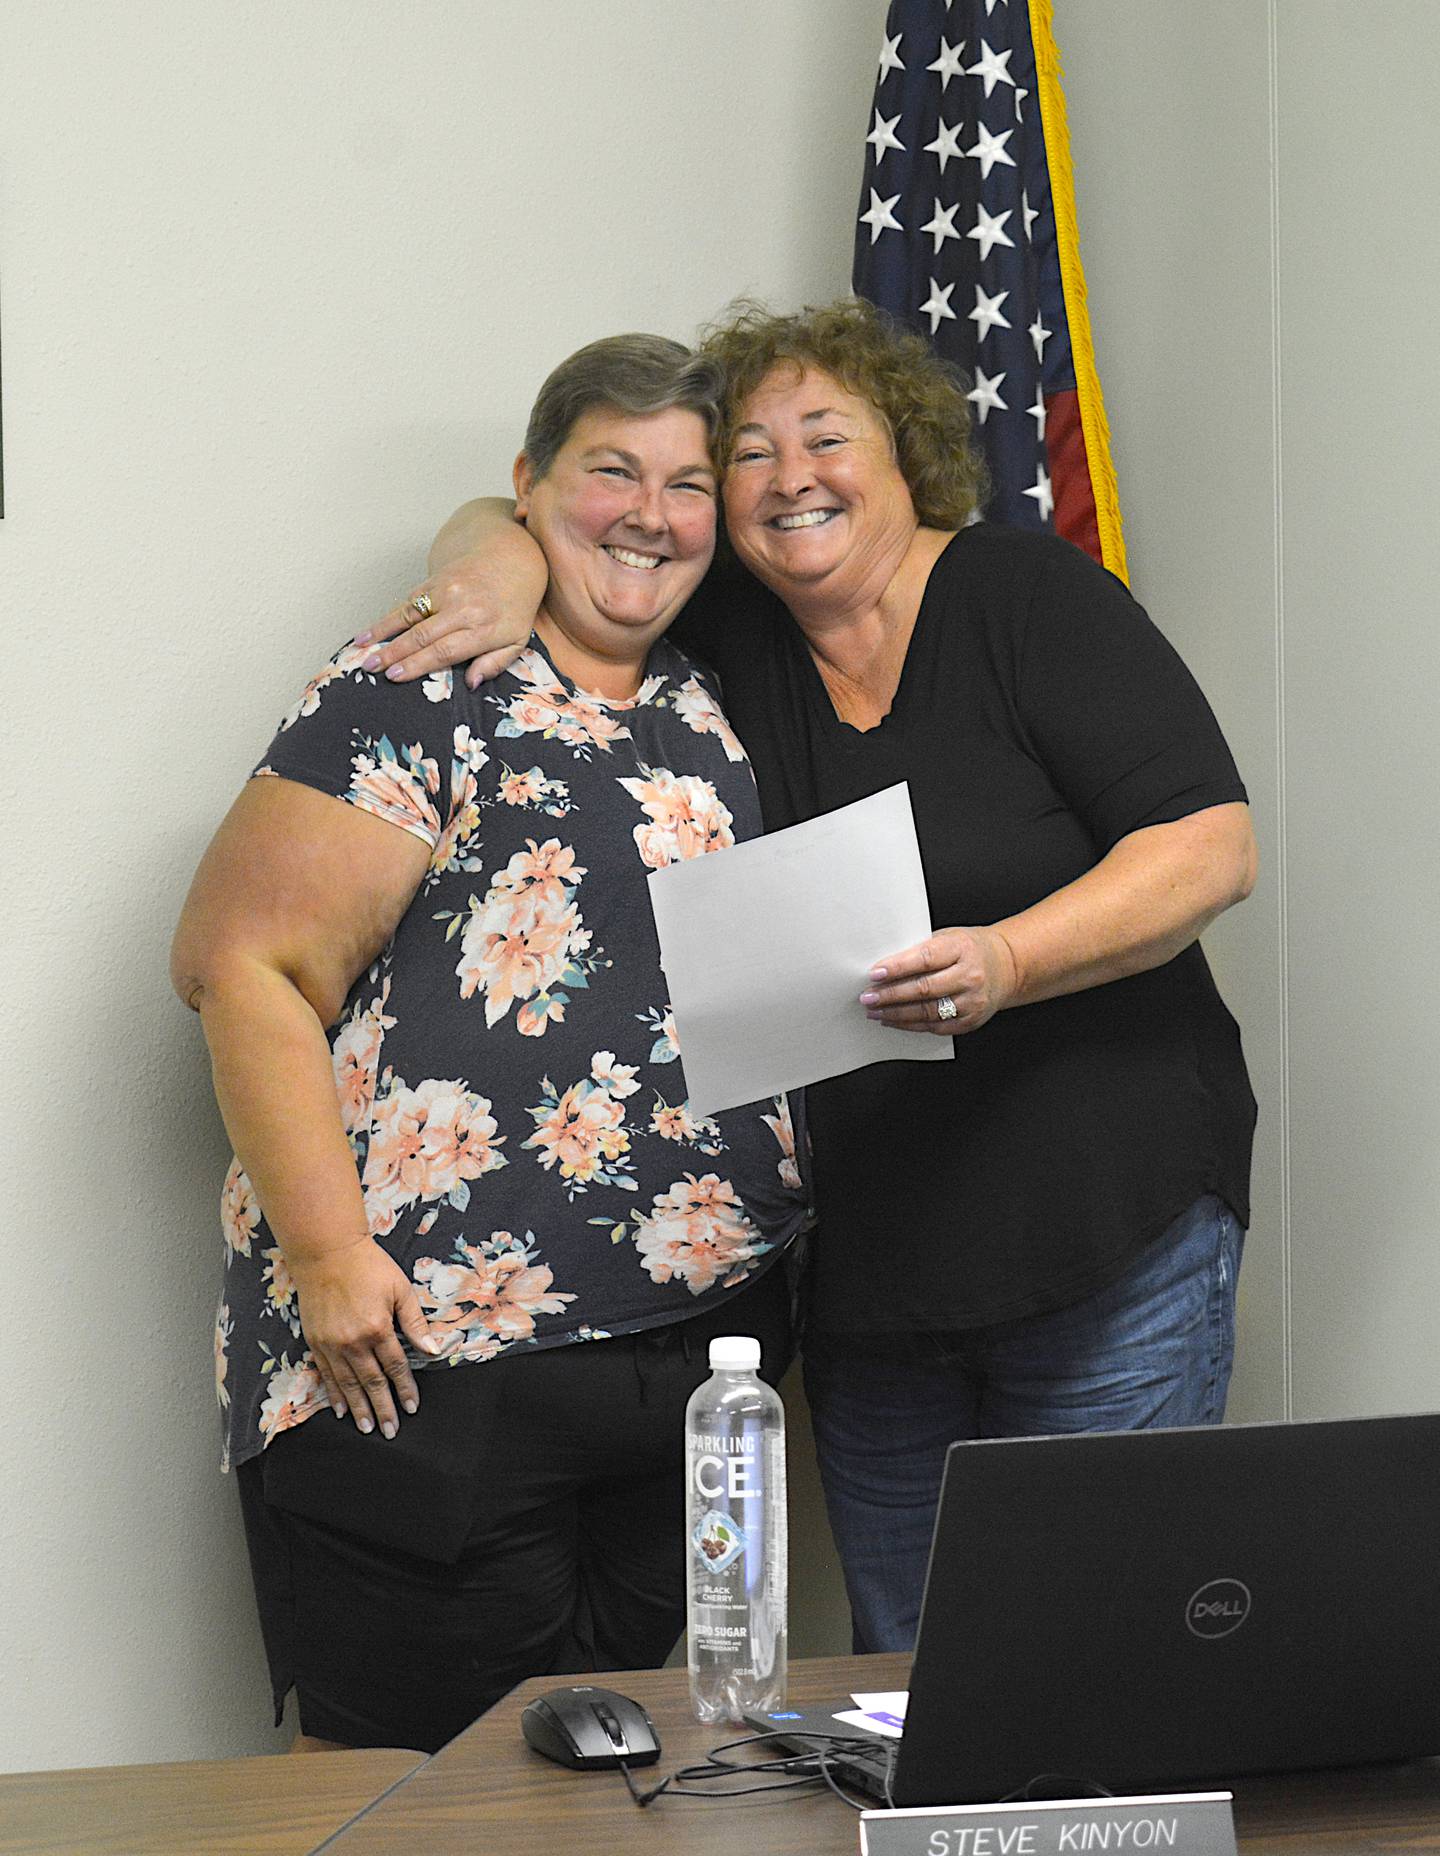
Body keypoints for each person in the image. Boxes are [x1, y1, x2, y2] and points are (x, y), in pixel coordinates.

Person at [354, 298, 1259, 1657]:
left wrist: (1009, 960)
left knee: (1100, 1653)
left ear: (907, 456)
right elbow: (554, 513)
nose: (790, 478)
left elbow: (1210, 847)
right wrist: (479, 561)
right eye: (752, 456)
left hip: (1109, 1230)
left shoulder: (1023, 594)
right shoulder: (732, 638)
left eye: (825, 438)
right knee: (909, 1678)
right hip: (877, 1277)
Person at [170, 334, 806, 1754]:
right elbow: (239, 962)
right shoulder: (423, 677)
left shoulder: (709, 704)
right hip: (426, 1366)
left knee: (649, 1780)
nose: (651, 511)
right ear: (527, 487)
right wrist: (329, 1258)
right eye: (610, 471)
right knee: (412, 1792)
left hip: (692, 1378)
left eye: (687, 482)